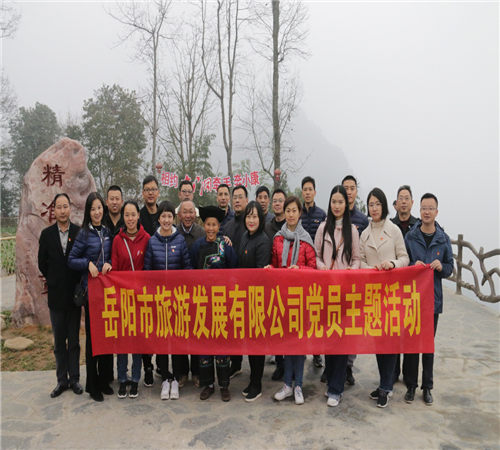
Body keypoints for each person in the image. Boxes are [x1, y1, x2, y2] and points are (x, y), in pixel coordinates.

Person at [359, 187, 409, 408]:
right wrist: (370, 269)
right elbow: (360, 260)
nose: (374, 208)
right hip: (373, 294)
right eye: (371, 204)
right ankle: (383, 383)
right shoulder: (364, 233)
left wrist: (392, 264)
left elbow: (405, 257)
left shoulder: (394, 230)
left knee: (390, 341)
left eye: (377, 204)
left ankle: (387, 388)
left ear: (384, 206)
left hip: (392, 293)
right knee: (378, 341)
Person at [403, 193, 453, 405]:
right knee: (412, 344)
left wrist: (441, 267)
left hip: (433, 300)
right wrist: (411, 266)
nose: (427, 212)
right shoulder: (411, 237)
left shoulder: (443, 239)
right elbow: (403, 263)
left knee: (428, 346)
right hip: (413, 300)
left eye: (431, 208)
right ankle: (410, 386)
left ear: (436, 212)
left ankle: (427, 387)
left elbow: (450, 267)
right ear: (419, 210)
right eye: (424, 208)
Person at [266, 196, 316, 405]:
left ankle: (298, 386)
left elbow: (313, 268)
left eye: (294, 210)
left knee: (299, 345)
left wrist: (299, 269)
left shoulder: (306, 239)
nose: (291, 214)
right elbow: (275, 264)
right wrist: (270, 269)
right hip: (283, 298)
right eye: (288, 210)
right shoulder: (278, 239)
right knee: (287, 343)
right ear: (284, 213)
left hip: (301, 299)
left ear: (300, 213)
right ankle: (287, 384)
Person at [314, 186, 360, 407]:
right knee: (329, 338)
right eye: (334, 201)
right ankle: (332, 380)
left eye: (341, 202)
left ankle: (336, 389)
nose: (337, 205)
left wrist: (352, 270)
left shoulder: (353, 231)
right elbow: (316, 255)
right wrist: (321, 266)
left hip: (345, 293)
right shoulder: (323, 228)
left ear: (346, 204)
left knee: (341, 340)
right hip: (326, 292)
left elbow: (357, 259)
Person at [144, 201, 192, 400]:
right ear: (159, 219)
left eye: (169, 216)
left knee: (177, 341)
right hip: (159, 301)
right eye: (163, 216)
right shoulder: (152, 241)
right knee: (162, 341)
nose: (166, 220)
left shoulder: (179, 241)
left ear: (174, 218)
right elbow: (147, 272)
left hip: (177, 300)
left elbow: (187, 269)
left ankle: (177, 379)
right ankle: (165, 378)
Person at [68, 192, 113, 402]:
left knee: (106, 337)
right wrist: (87, 264)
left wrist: (109, 263)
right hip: (91, 293)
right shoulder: (84, 233)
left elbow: (110, 256)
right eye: (93, 209)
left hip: (106, 292)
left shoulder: (107, 231)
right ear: (88, 211)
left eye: (99, 208)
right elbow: (71, 259)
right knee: (94, 340)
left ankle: (104, 381)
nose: (97, 212)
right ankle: (93, 386)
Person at [190, 205, 238, 402]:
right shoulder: (197, 246)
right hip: (202, 303)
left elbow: (234, 271)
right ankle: (208, 384)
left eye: (214, 225)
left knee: (221, 344)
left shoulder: (226, 246)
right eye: (208, 224)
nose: (211, 228)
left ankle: (224, 385)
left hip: (221, 303)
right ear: (204, 226)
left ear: (219, 227)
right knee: (205, 345)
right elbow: (191, 271)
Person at [38, 193, 82, 398]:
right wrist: (55, 279)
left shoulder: (78, 232)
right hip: (56, 297)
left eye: (66, 206)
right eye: (59, 207)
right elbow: (42, 263)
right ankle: (61, 380)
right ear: (54, 210)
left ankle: (75, 379)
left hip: (74, 296)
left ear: (70, 208)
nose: (63, 211)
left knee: (73, 341)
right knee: (59, 342)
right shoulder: (47, 235)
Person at [111, 200, 150, 399]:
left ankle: (135, 379)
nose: (130, 218)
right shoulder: (118, 240)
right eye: (126, 215)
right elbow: (115, 270)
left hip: (141, 299)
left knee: (137, 342)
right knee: (122, 342)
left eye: (133, 214)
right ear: (123, 217)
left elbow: (150, 269)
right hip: (123, 299)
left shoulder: (147, 238)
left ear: (138, 216)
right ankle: (122, 379)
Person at [234, 201, 271, 402]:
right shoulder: (245, 236)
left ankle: (257, 383)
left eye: (255, 216)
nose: (251, 220)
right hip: (244, 297)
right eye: (248, 216)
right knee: (250, 342)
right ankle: (252, 380)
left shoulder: (263, 240)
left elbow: (259, 273)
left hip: (257, 299)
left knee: (257, 343)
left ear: (260, 218)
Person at [172, 198, 204, 387]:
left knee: (197, 330)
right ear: (179, 214)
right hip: (177, 291)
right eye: (185, 212)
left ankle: (197, 372)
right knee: (180, 332)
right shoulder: (173, 232)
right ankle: (182, 372)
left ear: (195, 214)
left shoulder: (201, 232)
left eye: (191, 212)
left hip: (198, 290)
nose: (188, 215)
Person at [341, 174, 369, 384]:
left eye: (352, 188)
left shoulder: (362, 220)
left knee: (351, 326)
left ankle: (348, 367)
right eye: (345, 188)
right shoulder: (332, 217)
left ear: (356, 192)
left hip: (354, 282)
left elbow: (362, 252)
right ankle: (331, 366)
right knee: (332, 323)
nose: (349, 192)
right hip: (335, 282)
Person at [391, 185, 418, 383]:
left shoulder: (418, 226)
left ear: (412, 202)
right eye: (401, 198)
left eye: (407, 198)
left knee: (410, 332)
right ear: (396, 202)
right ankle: (392, 374)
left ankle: (410, 377)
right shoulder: (390, 226)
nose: (403, 201)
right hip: (392, 288)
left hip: (413, 288)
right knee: (393, 331)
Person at [300, 176, 326, 369]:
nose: (308, 192)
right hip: (300, 269)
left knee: (316, 312)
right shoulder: (297, 213)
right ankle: (300, 350)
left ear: (315, 192)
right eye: (305, 189)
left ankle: (317, 352)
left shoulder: (322, 214)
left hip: (317, 270)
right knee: (301, 311)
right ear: (302, 192)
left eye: (310, 189)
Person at [264, 188, 287, 380]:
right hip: (274, 285)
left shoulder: (292, 226)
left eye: (281, 201)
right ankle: (280, 364)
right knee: (277, 326)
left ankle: (292, 366)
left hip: (292, 286)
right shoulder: (267, 228)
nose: (278, 203)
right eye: (275, 201)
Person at [139, 175, 160, 386]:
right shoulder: (138, 217)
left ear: (158, 192)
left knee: (161, 324)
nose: (151, 193)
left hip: (163, 282)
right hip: (144, 280)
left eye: (153, 189)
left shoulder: (164, 213)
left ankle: (162, 364)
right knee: (146, 326)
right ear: (143, 193)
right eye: (147, 189)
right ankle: (147, 366)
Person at [224, 184, 249, 254]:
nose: (237, 201)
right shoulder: (227, 226)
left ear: (247, 200)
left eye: (240, 197)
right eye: (235, 198)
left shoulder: (251, 225)